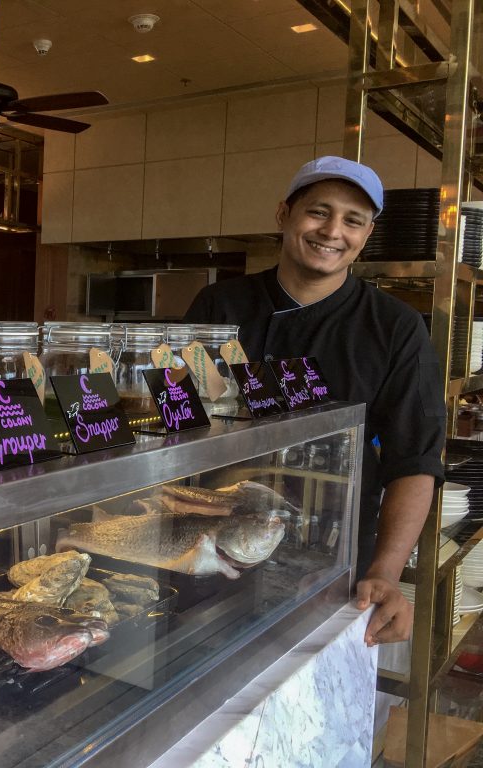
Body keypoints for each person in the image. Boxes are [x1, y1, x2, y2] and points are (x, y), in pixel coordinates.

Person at [184, 156, 446, 646]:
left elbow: (414, 460)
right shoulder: (219, 306)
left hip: (331, 556)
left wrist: (385, 572)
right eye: (318, 212)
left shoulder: (395, 327)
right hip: (214, 541)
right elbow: (181, 422)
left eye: (353, 220)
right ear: (284, 214)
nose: (332, 231)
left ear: (367, 234)